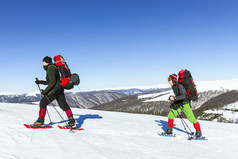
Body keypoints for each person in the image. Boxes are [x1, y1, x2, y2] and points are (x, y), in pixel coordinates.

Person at [33, 56, 76, 128]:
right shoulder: (53, 67)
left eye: (43, 61)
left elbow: (52, 82)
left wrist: (45, 91)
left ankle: (40, 121)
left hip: (55, 90)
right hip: (59, 89)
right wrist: (40, 82)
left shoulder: (51, 68)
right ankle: (72, 121)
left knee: (43, 102)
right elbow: (51, 81)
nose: (42, 62)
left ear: (46, 62)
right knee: (64, 105)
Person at [164, 74, 202, 138]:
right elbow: (179, 96)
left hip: (185, 104)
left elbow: (183, 96)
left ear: (173, 80)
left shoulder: (179, 86)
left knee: (192, 119)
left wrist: (175, 98)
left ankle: (199, 132)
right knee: (171, 115)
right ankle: (169, 131)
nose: (168, 81)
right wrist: (173, 99)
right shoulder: (174, 86)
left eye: (169, 79)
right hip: (180, 103)